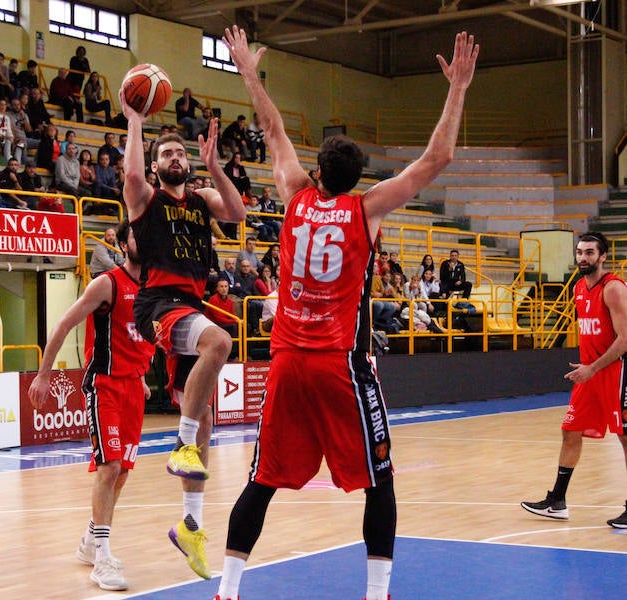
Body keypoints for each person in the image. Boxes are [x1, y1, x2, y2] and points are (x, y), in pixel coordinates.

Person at [215, 26, 479, 600]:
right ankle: (377, 592)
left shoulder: (293, 192)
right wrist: (457, 87)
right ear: (360, 178)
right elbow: (439, 158)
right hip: (341, 363)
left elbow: (272, 127)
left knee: (261, 479)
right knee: (380, 480)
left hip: (284, 361)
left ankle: (228, 590)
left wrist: (247, 73)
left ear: (316, 170)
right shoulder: (368, 210)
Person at [121, 79, 246, 580]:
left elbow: (237, 214)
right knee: (221, 339)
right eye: (165, 152)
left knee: (206, 416)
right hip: (158, 304)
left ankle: (191, 526)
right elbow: (130, 170)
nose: (175, 156)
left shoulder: (200, 199)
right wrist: (134, 119)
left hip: (188, 307)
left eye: (179, 151)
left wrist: (215, 164)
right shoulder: (145, 199)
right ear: (155, 165)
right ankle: (182, 442)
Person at [27, 221, 152, 591]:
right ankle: (102, 558)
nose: (142, 240)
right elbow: (64, 324)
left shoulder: (154, 289)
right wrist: (44, 373)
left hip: (132, 387)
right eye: (135, 234)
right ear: (125, 241)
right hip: (104, 386)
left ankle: (89, 541)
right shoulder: (107, 283)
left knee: (122, 472)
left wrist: (142, 376)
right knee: (109, 466)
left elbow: (138, 337)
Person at [520, 232, 627, 528]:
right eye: (579, 252)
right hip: (589, 373)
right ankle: (557, 500)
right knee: (570, 430)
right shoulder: (579, 287)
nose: (583, 258)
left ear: (603, 256)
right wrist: (589, 369)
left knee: (625, 437)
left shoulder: (614, 288)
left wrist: (592, 368)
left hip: (616, 370)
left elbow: (625, 339)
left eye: (590, 252)